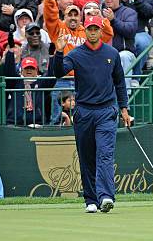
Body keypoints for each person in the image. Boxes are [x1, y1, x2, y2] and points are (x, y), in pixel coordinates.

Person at [54, 16, 132, 214]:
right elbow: (58, 72)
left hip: (106, 111)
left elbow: (120, 82)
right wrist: (58, 51)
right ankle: (90, 199)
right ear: (85, 30)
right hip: (84, 111)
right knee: (86, 156)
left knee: (105, 154)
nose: (93, 32)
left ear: (101, 30)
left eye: (96, 28)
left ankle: (106, 196)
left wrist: (124, 108)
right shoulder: (77, 53)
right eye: (89, 28)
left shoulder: (112, 53)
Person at [118, 0, 153, 75]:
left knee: (142, 42)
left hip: (139, 31)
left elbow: (150, 13)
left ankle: (136, 75)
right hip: (119, 32)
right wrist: (122, 1)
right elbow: (108, 11)